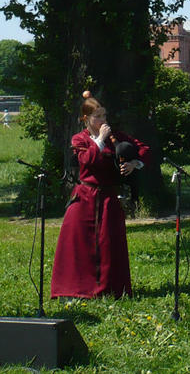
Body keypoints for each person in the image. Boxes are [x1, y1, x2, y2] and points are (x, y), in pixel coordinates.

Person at [51, 91, 151, 299]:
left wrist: (134, 163)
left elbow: (143, 149)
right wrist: (101, 140)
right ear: (87, 118)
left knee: (109, 243)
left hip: (108, 197)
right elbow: (87, 161)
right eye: (98, 116)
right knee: (78, 244)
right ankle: (76, 289)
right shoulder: (80, 139)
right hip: (84, 196)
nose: (103, 121)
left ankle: (110, 289)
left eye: (105, 116)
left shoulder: (117, 136)